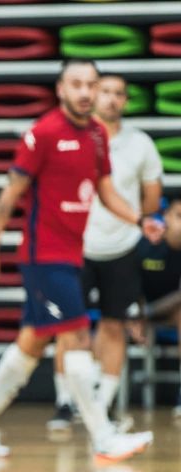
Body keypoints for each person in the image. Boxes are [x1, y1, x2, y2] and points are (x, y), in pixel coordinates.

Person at [0, 59, 161, 462]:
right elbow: (10, 193)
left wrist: (138, 220)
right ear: (60, 89)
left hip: (72, 253)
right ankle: (103, 436)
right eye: (77, 84)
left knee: (32, 341)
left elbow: (105, 190)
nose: (86, 92)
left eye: (92, 84)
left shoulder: (98, 136)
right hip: (42, 256)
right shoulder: (43, 133)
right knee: (78, 336)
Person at [47, 73, 163, 431]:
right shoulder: (69, 138)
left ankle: (103, 406)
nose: (111, 99)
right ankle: (66, 404)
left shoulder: (140, 144)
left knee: (114, 326)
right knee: (69, 327)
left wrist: (135, 221)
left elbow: (150, 199)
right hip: (74, 247)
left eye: (119, 94)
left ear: (126, 101)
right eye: (106, 92)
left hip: (122, 249)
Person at [135, 196, 181, 415]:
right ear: (166, 218)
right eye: (179, 216)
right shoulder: (147, 245)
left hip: (166, 312)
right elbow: (130, 283)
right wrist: (135, 314)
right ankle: (101, 398)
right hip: (138, 309)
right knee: (110, 319)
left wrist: (148, 312)